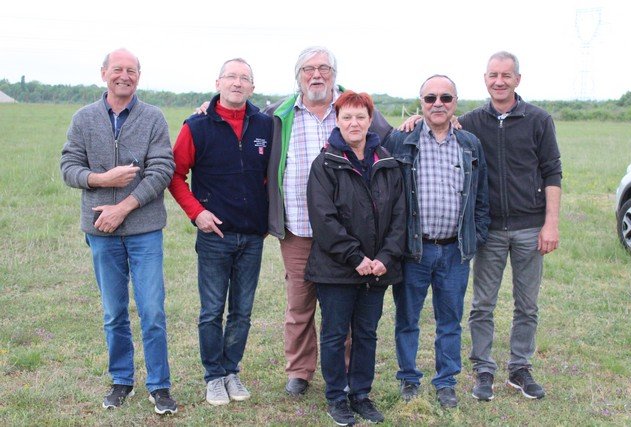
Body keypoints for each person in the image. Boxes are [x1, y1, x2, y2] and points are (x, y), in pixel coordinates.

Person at [263, 47, 393, 397]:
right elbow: (242, 122)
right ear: (298, 75)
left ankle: (349, 369)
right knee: (300, 305)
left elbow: (393, 141)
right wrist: (205, 105)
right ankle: (300, 371)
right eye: (308, 69)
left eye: (324, 68)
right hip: (299, 231)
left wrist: (418, 121)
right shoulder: (278, 114)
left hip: (351, 237)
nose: (316, 75)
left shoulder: (355, 109)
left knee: (347, 304)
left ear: (334, 74)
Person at [60, 48, 177, 415]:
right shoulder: (83, 119)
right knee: (113, 312)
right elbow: (68, 166)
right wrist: (101, 179)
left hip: (144, 230)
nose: (124, 75)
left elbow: (162, 170)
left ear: (138, 76)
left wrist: (124, 206)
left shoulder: (153, 118)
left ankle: (159, 386)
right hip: (100, 230)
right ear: (104, 73)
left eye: (131, 70)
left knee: (152, 311)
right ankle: (121, 380)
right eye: (117, 69)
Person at [168, 58, 272, 406]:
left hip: (253, 236)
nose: (238, 83)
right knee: (212, 310)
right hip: (214, 235)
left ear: (253, 87)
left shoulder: (266, 124)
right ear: (218, 82)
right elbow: (175, 175)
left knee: (242, 311)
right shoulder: (197, 126)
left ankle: (231, 371)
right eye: (231, 77)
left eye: (245, 78)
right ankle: (213, 376)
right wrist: (197, 214)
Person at [460, 51, 562, 401]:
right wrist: (413, 122)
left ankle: (520, 369)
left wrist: (550, 224)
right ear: (485, 79)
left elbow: (552, 172)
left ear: (518, 79)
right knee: (483, 304)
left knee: (527, 304)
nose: (499, 81)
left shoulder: (538, 120)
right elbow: (436, 126)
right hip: (489, 229)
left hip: (529, 228)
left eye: (506, 75)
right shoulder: (471, 121)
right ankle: (483, 371)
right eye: (493, 75)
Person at [385, 75, 490, 408]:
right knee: (407, 319)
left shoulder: (470, 144)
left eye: (445, 98)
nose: (438, 104)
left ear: (455, 102)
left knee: (450, 321)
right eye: (430, 98)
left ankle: (446, 382)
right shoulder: (400, 141)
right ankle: (409, 380)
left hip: (455, 251)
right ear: (421, 103)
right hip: (413, 250)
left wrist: (476, 235)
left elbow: (482, 199)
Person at [306, 91, 405, 425]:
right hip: (337, 269)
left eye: (360, 116)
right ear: (337, 121)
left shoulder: (387, 162)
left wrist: (385, 258)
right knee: (335, 334)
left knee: (367, 333)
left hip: (377, 269)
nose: (354, 123)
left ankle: (361, 393)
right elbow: (323, 218)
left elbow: (399, 218)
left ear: (370, 120)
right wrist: (355, 257)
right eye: (347, 117)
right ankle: (337, 397)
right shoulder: (325, 163)